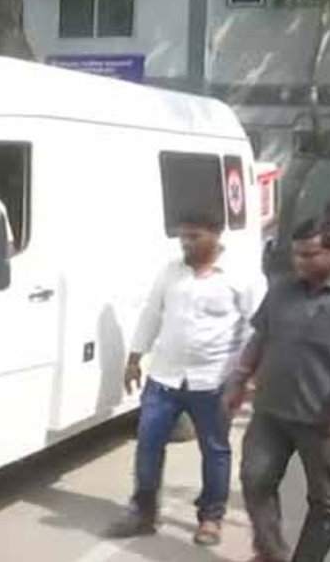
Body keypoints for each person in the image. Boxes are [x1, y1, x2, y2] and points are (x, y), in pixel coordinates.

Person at [224, 215, 330, 562]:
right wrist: (239, 378)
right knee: (255, 480)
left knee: (326, 501)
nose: (300, 262)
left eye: (310, 255)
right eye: (296, 254)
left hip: (325, 421)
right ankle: (271, 552)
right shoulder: (281, 290)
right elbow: (260, 336)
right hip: (271, 412)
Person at [110, 211, 266, 546]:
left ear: (216, 234)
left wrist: (247, 377)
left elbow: (259, 328)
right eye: (182, 236)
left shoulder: (242, 276)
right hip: (164, 379)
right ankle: (143, 512)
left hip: (214, 381)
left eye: (194, 236)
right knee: (148, 445)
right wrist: (134, 359)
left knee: (215, 449)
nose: (186, 243)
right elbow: (152, 313)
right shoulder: (170, 271)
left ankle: (211, 516)